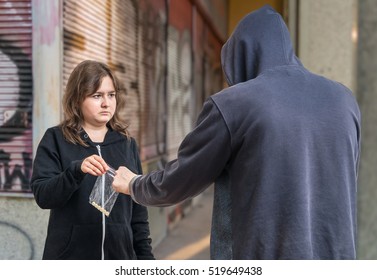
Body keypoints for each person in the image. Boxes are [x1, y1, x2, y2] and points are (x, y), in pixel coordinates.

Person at [112, 5, 361, 260]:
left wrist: (134, 184)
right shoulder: (344, 101)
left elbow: (181, 179)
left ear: (240, 56)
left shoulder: (235, 104)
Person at [30, 60, 154, 260]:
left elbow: (138, 212)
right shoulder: (56, 139)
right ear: (77, 98)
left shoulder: (126, 143)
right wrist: (75, 171)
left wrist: (146, 261)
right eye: (97, 96)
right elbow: (43, 196)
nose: (106, 103)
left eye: (111, 95)